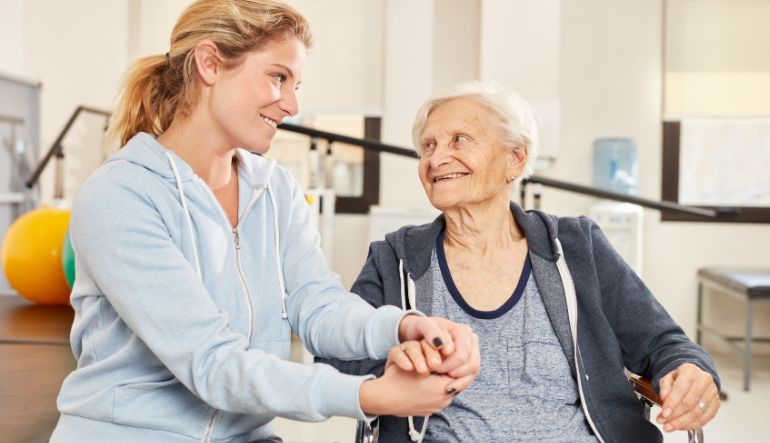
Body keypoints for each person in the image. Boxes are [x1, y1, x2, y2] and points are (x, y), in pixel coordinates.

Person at [50, 1, 480, 442]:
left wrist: (406, 326)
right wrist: (372, 395)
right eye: (279, 77)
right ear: (210, 63)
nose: (291, 104)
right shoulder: (120, 195)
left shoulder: (276, 190)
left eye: (296, 83)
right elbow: (213, 364)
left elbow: (318, 305)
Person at [317, 80, 721, 443]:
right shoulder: (395, 258)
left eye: (459, 139)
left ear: (514, 158)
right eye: (428, 145)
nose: (436, 158)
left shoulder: (578, 246)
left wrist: (689, 372)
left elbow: (664, 342)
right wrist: (391, 366)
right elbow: (335, 360)